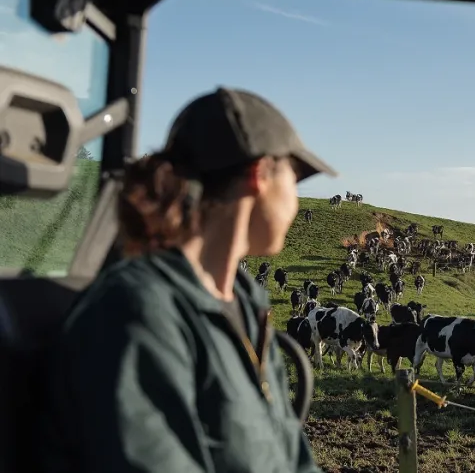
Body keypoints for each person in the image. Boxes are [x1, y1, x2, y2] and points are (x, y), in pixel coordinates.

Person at [39, 87, 336, 472]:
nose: (295, 200)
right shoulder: (137, 313)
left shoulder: (249, 305)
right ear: (259, 174)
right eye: (294, 179)